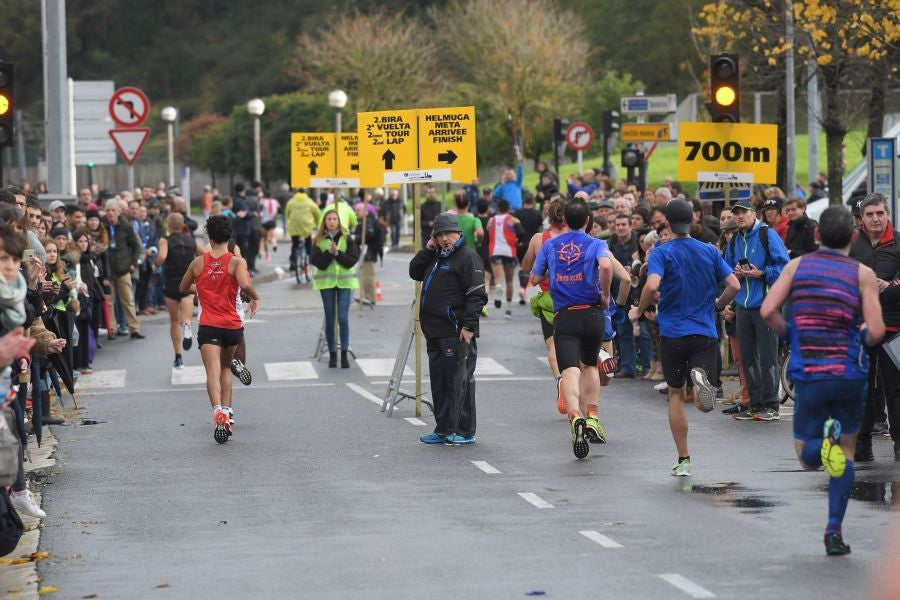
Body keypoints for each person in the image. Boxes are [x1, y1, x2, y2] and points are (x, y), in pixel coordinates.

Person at [760, 205, 884, 555]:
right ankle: (834, 532)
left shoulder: (797, 267)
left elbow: (768, 310)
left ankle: (823, 442)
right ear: (854, 235)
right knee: (845, 454)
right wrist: (858, 335)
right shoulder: (862, 273)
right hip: (849, 374)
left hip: (811, 373)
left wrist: (791, 335)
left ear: (817, 236)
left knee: (808, 459)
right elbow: (875, 330)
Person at [629, 199, 740, 476]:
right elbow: (734, 284)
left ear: (667, 222)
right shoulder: (709, 251)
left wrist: (639, 310)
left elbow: (652, 285)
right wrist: (717, 304)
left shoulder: (661, 252)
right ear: (692, 220)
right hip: (704, 331)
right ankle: (701, 383)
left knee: (676, 395)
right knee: (704, 405)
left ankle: (684, 459)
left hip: (673, 332)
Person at [530, 199, 613, 459]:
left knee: (569, 370)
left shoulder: (551, 245)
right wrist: (606, 294)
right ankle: (592, 417)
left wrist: (555, 274)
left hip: (564, 314)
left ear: (564, 219)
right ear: (588, 221)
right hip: (592, 312)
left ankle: (574, 415)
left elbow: (533, 278)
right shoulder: (597, 243)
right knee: (590, 366)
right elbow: (608, 266)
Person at [179, 216, 259, 444]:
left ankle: (217, 412)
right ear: (229, 236)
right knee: (226, 368)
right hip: (232, 326)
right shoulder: (236, 262)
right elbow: (244, 285)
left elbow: (183, 287)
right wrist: (255, 297)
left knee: (212, 372)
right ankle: (228, 410)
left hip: (209, 325)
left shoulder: (198, 263)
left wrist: (201, 288)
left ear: (209, 237)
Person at [409, 212, 487, 445]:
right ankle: (443, 428)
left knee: (459, 381)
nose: (444, 239)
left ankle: (464, 431)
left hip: (456, 331)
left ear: (458, 233)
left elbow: (477, 295)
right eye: (439, 235)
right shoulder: (437, 255)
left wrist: (469, 327)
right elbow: (415, 272)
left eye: (448, 234)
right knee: (440, 382)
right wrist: (428, 248)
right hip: (435, 331)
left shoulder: (467, 258)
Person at [724, 197, 789, 421]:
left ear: (754, 214)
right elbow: (728, 274)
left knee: (768, 358)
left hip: (766, 306)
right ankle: (755, 404)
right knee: (748, 358)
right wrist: (736, 274)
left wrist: (761, 273)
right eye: (736, 213)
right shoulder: (734, 241)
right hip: (743, 306)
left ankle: (771, 406)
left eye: (744, 212)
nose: (740, 216)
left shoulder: (766, 234)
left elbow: (785, 267)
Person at [849, 193, 900, 462]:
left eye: (880, 213)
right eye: (869, 214)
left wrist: (891, 287)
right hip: (861, 329)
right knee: (862, 388)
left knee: (896, 389)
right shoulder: (852, 244)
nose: (875, 218)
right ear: (862, 218)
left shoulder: (899, 242)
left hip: (894, 329)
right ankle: (862, 444)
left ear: (887, 214)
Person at [310, 208, 360, 368]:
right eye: (329, 219)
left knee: (343, 318)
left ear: (339, 221)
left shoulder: (346, 238)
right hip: (326, 284)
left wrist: (338, 254)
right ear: (324, 222)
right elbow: (319, 262)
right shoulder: (318, 240)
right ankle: (332, 354)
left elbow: (352, 260)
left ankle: (344, 353)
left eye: (334, 219)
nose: (332, 221)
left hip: (345, 284)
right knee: (330, 319)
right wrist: (330, 253)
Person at [157, 213, 204, 369]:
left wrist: (154, 264)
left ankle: (178, 357)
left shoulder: (165, 240)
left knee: (173, 321)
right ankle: (187, 326)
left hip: (171, 283)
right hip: (188, 283)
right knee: (186, 317)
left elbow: (162, 256)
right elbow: (204, 254)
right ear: (183, 225)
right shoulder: (191, 240)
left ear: (169, 225)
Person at [102, 200, 144, 340]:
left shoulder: (126, 225)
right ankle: (112, 329)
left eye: (114, 210)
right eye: (108, 210)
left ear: (119, 212)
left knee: (128, 300)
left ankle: (134, 328)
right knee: (109, 301)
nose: (111, 213)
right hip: (108, 269)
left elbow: (137, 246)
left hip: (123, 269)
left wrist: (133, 263)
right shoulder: (102, 225)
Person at [487, 199, 525, 318]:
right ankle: (508, 310)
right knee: (509, 281)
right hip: (509, 251)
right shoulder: (513, 220)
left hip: (495, 251)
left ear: (498, 209)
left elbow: (488, 230)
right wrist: (518, 241)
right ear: (509, 208)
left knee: (498, 278)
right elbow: (522, 233)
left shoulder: (491, 220)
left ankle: (498, 288)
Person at [353, 203, 383, 306]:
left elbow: (370, 234)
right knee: (364, 275)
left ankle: (369, 298)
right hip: (366, 252)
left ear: (364, 211)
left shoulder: (367, 221)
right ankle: (364, 297)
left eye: (358, 210)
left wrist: (356, 237)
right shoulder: (364, 220)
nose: (356, 212)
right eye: (356, 210)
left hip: (368, 252)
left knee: (368, 276)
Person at [285, 189, 321, 275]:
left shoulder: (291, 202)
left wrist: (290, 220)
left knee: (295, 244)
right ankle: (309, 257)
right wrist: (318, 225)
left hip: (294, 226)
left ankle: (293, 262)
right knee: (308, 240)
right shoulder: (309, 202)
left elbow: (287, 213)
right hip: (306, 226)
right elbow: (317, 214)